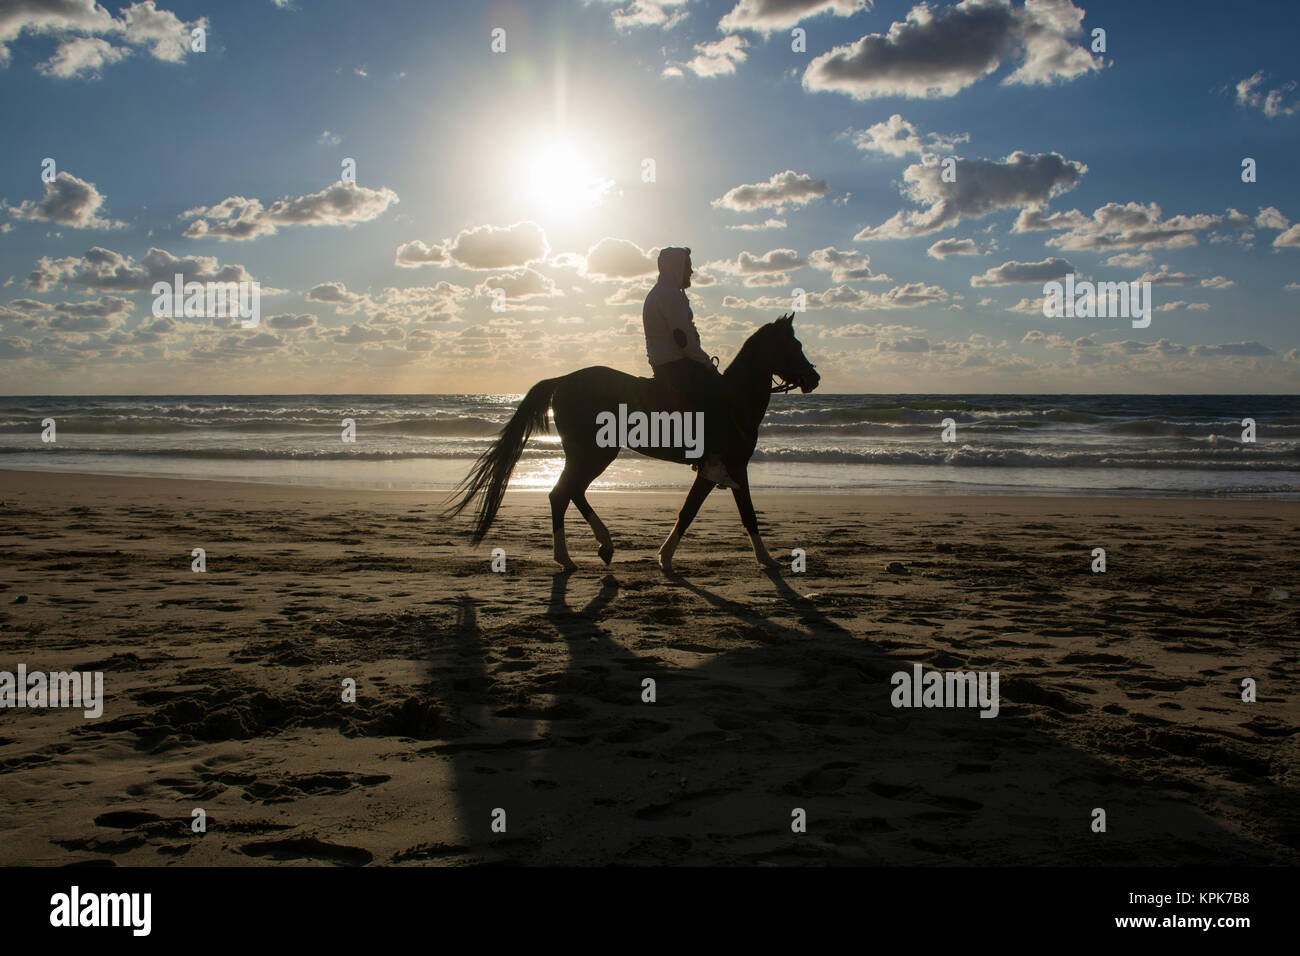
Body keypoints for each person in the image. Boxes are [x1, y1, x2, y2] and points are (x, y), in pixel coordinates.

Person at [642, 246, 744, 490]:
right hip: (676, 364)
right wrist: (707, 365)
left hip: (666, 363)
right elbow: (684, 340)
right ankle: (712, 461)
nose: (691, 272)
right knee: (721, 396)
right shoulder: (669, 295)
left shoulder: (664, 292)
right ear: (676, 267)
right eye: (688, 267)